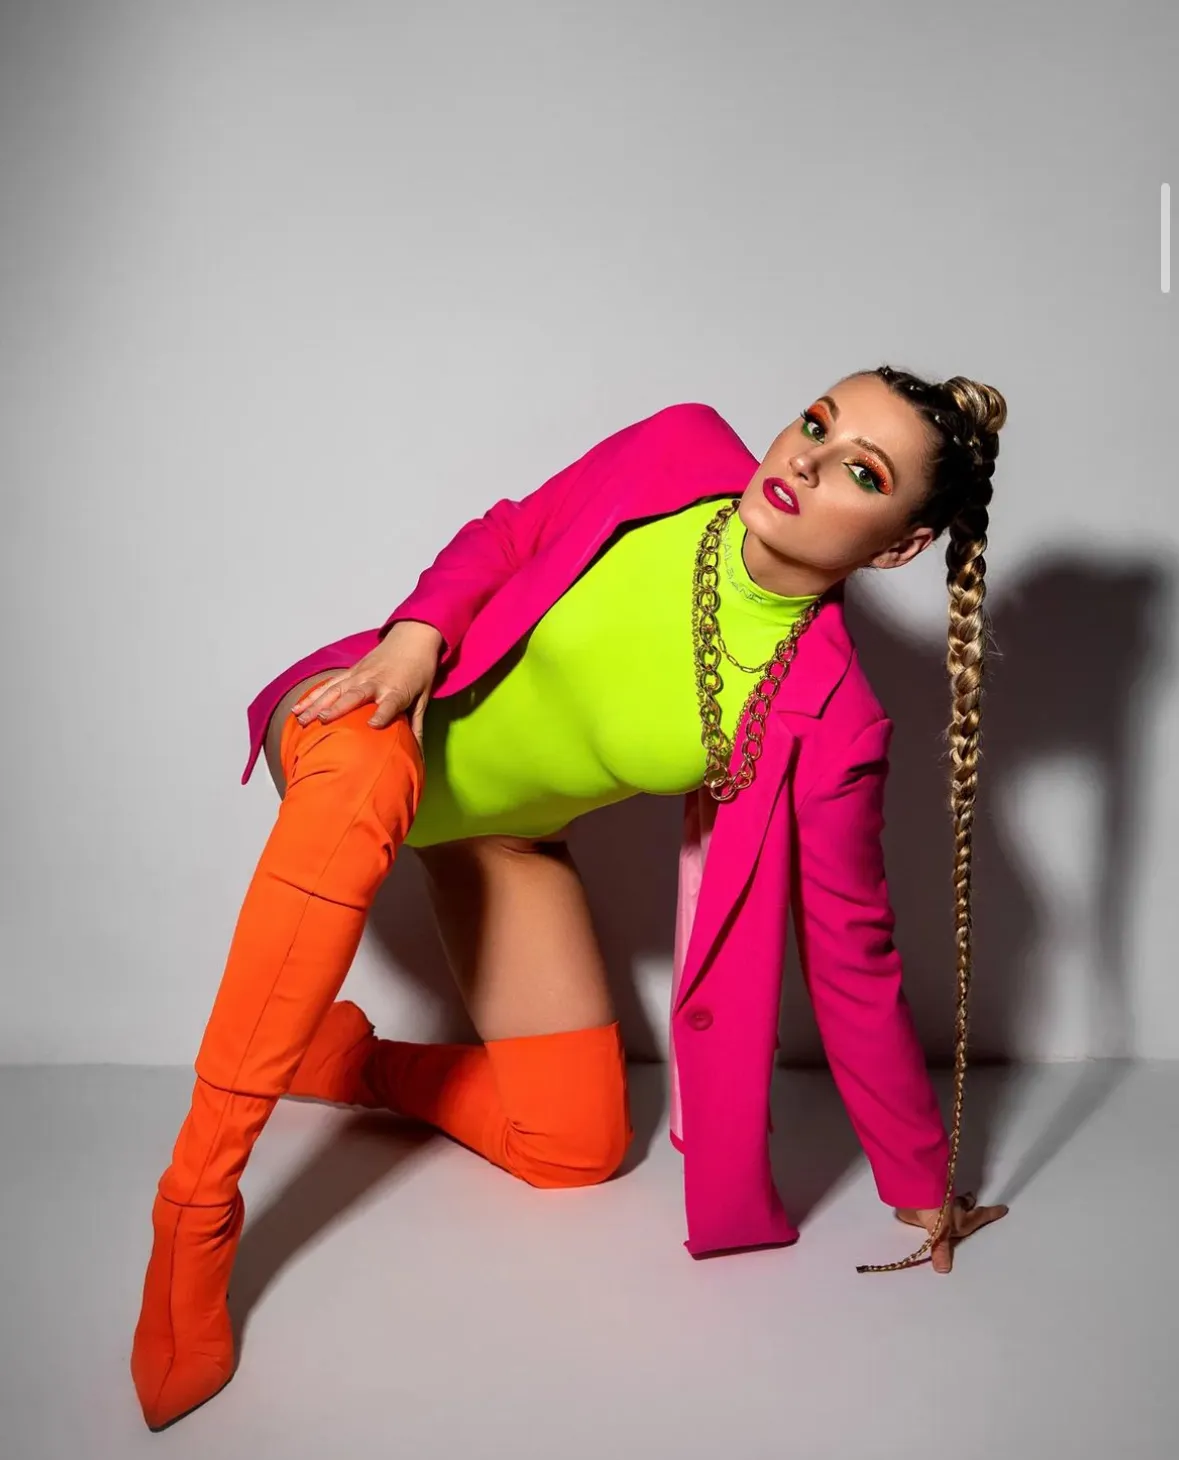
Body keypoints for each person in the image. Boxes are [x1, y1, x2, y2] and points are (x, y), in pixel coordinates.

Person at [130, 366, 1010, 1430]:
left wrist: (920, 1181)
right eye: (815, 422)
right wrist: (415, 632)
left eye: (860, 472)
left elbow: (850, 952)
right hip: (371, 718)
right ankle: (195, 1209)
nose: (808, 460)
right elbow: (510, 533)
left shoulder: (830, 716)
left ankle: (341, 1060)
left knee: (574, 1143)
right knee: (365, 778)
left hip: (499, 842)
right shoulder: (682, 450)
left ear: (900, 547)